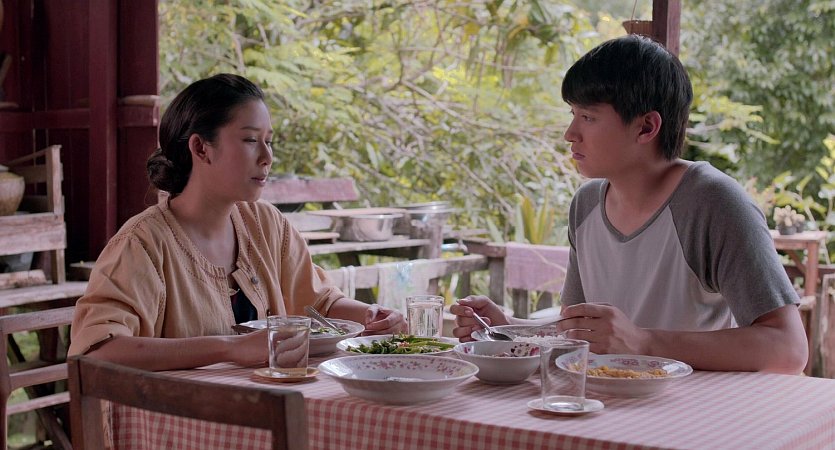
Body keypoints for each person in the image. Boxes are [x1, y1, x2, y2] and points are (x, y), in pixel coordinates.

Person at [451, 35, 808, 374]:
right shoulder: (586, 204)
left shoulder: (713, 202)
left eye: (588, 117)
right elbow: (580, 332)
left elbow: (789, 349)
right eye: (573, 113)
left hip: (695, 411)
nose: (570, 133)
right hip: (603, 405)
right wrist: (508, 329)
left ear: (646, 127)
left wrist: (643, 342)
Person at [69, 74, 405, 371]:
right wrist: (230, 348)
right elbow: (97, 351)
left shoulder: (265, 224)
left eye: (268, 141)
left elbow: (319, 304)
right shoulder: (142, 244)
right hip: (177, 417)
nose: (267, 157)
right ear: (201, 148)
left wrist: (371, 316)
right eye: (250, 140)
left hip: (263, 406)